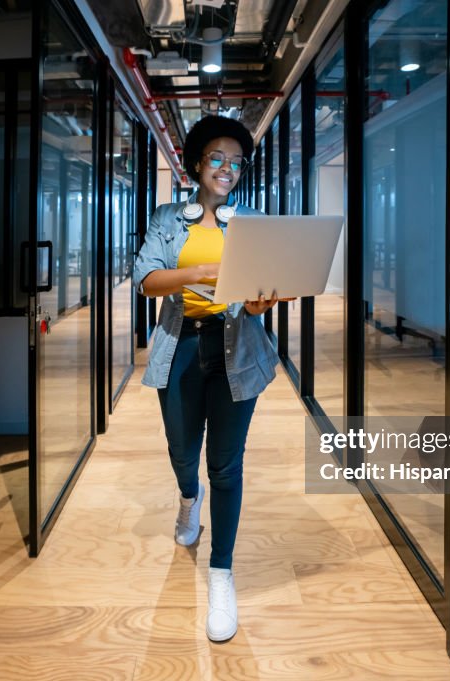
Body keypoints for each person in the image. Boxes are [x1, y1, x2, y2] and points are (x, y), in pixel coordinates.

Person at [132, 115, 286, 642]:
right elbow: (147, 281)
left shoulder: (254, 221)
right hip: (181, 346)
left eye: (236, 161)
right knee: (182, 452)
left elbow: (260, 293)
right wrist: (199, 273)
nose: (227, 168)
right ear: (198, 164)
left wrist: (264, 301)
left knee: (226, 465)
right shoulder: (168, 217)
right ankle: (185, 497)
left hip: (236, 346)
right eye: (216, 158)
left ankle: (222, 572)